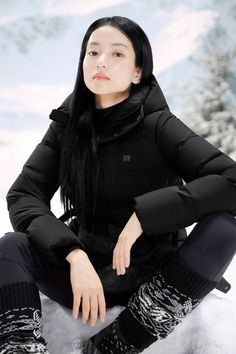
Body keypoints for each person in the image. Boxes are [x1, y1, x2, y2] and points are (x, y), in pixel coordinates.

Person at [0, 15, 236, 354]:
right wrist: (72, 253)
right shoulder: (67, 126)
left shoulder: (160, 125)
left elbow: (230, 180)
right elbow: (24, 194)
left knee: (224, 228)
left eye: (117, 54)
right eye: (92, 53)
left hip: (155, 279)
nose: (101, 62)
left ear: (138, 72)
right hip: (87, 279)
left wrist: (145, 217)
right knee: (10, 246)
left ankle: (116, 344)